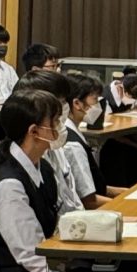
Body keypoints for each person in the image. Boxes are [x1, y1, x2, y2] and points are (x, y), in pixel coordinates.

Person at [0, 88, 99, 272]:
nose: (61, 127)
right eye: (56, 121)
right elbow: (31, 257)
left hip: (48, 269)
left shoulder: (43, 169)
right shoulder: (9, 187)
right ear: (34, 131)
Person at [44, 72, 105, 213]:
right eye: (94, 99)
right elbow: (89, 200)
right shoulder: (71, 144)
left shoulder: (71, 132)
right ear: (77, 103)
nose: (97, 105)